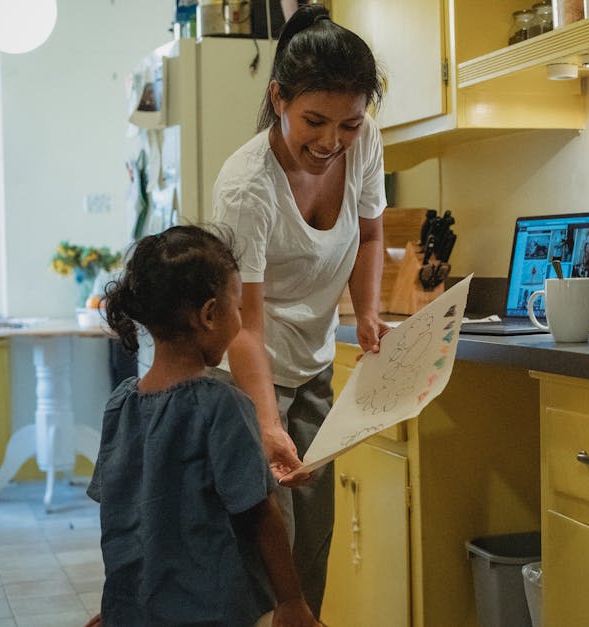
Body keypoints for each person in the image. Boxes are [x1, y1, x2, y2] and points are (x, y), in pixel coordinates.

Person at [211, 3, 388, 616]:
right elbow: (245, 326)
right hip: (244, 372)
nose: (331, 143)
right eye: (315, 121)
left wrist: (365, 313)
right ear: (278, 97)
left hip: (312, 365)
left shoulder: (362, 143)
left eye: (349, 125)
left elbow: (369, 236)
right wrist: (265, 421)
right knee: (269, 539)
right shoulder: (246, 188)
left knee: (313, 537)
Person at [86, 225, 320, 627]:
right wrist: (292, 600)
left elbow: (122, 517)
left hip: (136, 612)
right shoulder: (223, 407)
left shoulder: (120, 405)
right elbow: (261, 514)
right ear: (211, 314)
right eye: (238, 309)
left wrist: (116, 604)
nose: (240, 321)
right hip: (211, 613)